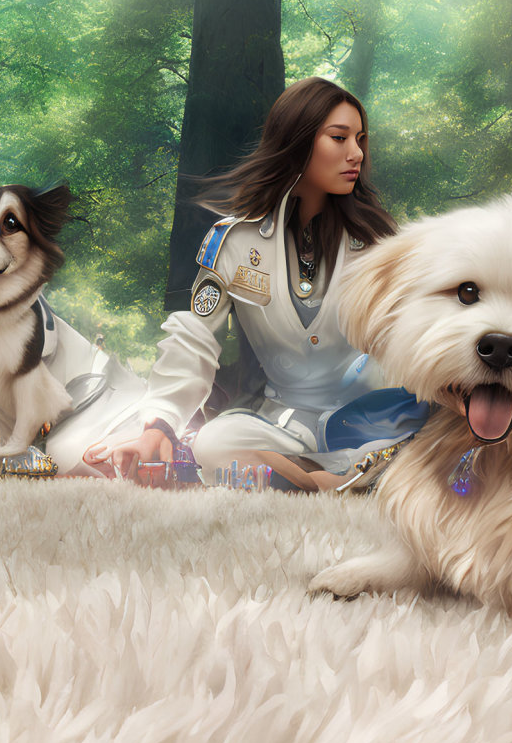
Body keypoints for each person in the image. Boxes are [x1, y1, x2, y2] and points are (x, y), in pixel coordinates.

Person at [84, 77, 421, 490]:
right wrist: (159, 426)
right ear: (297, 141)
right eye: (339, 137)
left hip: (376, 414)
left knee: (433, 428)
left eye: (360, 139)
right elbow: (194, 339)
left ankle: (322, 477)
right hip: (286, 427)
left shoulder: (381, 242)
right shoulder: (233, 242)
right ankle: (341, 480)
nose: (356, 153)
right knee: (213, 442)